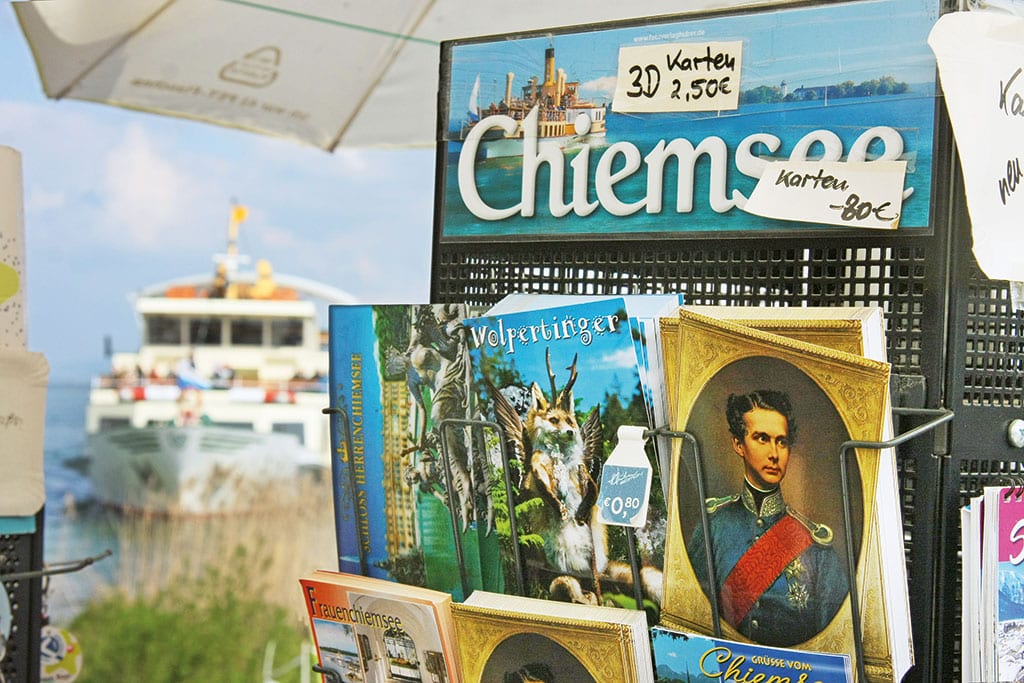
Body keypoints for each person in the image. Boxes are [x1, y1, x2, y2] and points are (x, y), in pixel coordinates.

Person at [687, 389, 848, 647]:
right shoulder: (713, 528)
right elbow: (690, 623)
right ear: (739, 445)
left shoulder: (816, 547)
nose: (774, 453)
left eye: (781, 442)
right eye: (762, 438)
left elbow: (836, 642)